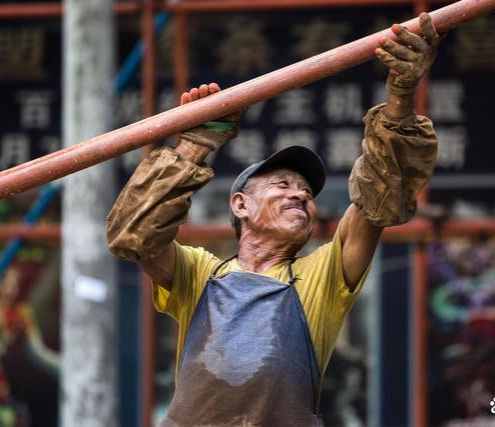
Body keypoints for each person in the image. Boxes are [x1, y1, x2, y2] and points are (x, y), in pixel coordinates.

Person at [108, 13, 441, 426]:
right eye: (283, 184)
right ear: (240, 206)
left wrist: (402, 97)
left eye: (306, 191)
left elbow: (380, 199)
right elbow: (133, 235)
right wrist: (195, 145)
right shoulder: (199, 277)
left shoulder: (321, 277)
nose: (300, 193)